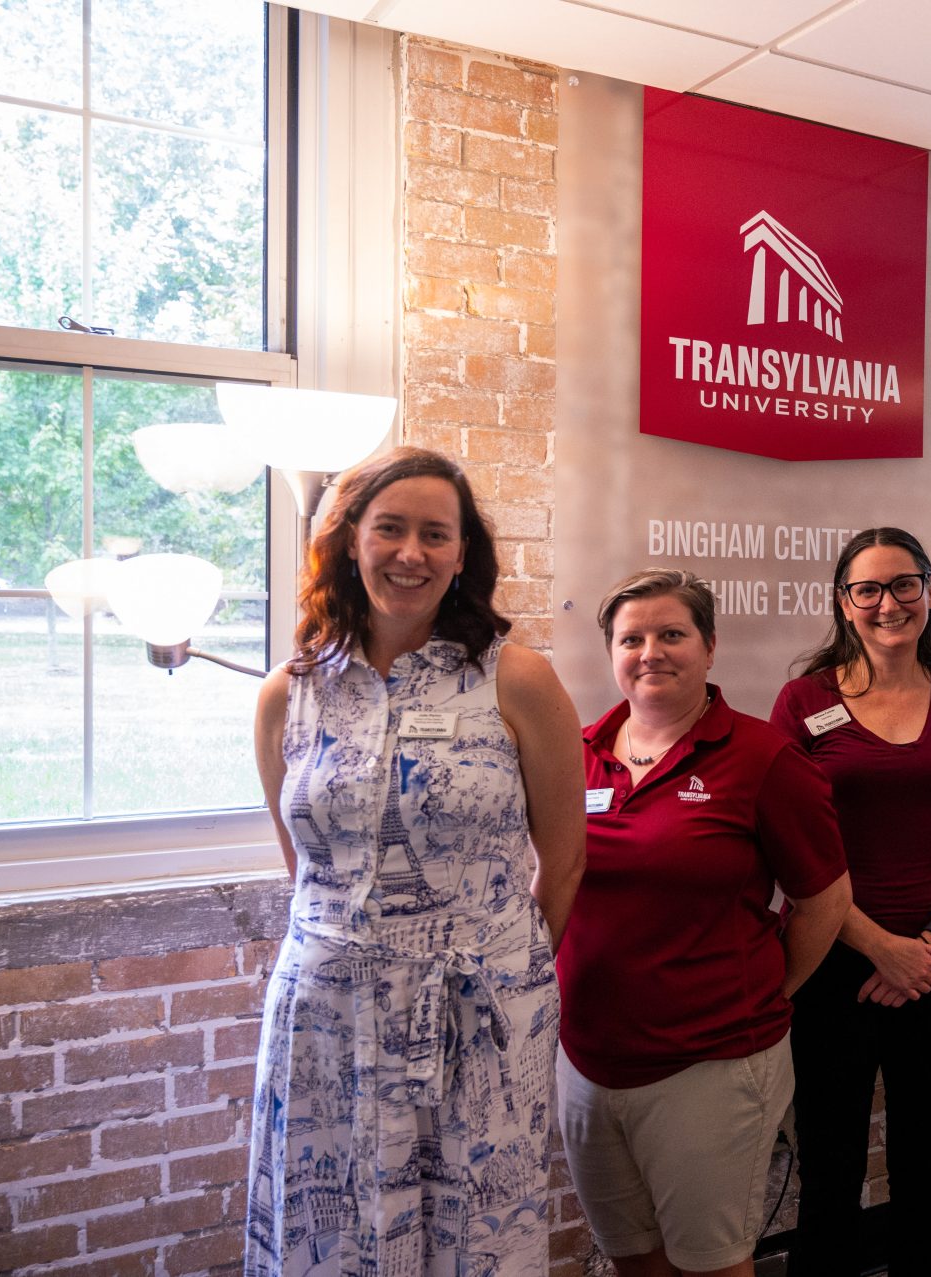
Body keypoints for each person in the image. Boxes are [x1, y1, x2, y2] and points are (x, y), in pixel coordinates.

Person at [246, 446, 586, 1277]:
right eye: (389, 528)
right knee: (330, 1222)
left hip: (479, 1009)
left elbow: (566, 861)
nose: (411, 553)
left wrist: (502, 968)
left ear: (463, 553)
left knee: (474, 1230)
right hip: (325, 1007)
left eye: (436, 533)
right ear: (349, 539)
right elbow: (307, 864)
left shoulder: (518, 679)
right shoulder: (289, 692)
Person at [557, 570, 852, 1277]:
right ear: (612, 653)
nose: (650, 651)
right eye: (632, 638)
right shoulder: (576, 752)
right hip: (590, 1062)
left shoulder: (762, 759)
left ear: (710, 645)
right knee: (634, 1259)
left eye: (672, 634)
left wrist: (765, 991)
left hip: (712, 1065)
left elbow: (824, 899)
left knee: (712, 1266)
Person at [770, 529, 931, 1277]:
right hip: (833, 967)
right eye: (866, 589)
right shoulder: (802, 702)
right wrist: (879, 946)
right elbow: (790, 855)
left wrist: (928, 944)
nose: (887, 603)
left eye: (905, 584)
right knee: (832, 1172)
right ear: (842, 603)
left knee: (925, 1168)